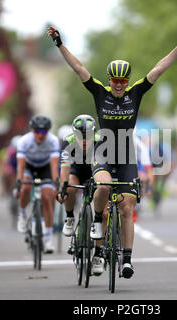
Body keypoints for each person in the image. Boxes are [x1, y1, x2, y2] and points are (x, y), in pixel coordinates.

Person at [47, 26, 177, 278]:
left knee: (127, 208)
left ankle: (126, 259)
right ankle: (95, 223)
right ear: (109, 79)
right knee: (103, 188)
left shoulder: (135, 92)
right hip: (103, 150)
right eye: (114, 80)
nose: (118, 85)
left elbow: (158, 69)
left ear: (127, 81)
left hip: (126, 153)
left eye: (122, 81)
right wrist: (60, 44)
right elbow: (79, 68)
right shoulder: (99, 92)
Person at [56, 114, 105, 275]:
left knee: (102, 213)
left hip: (95, 171)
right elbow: (64, 169)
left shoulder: (101, 140)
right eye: (80, 136)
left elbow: (108, 170)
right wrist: (63, 189)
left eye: (87, 136)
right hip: (77, 171)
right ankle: (70, 216)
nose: (84, 140)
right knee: (69, 184)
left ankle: (98, 254)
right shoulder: (67, 142)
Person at [16, 115, 60, 254]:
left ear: (47, 131)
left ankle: (48, 239)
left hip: (45, 168)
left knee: (47, 197)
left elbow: (54, 166)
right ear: (32, 130)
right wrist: (19, 182)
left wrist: (56, 183)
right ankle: (22, 214)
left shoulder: (53, 141)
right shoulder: (24, 141)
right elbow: (21, 166)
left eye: (44, 132)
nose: (40, 135)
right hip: (29, 167)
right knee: (26, 188)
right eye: (37, 131)